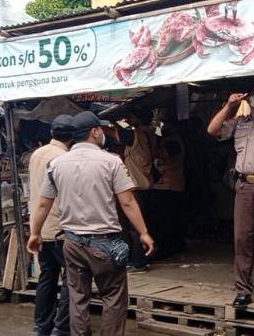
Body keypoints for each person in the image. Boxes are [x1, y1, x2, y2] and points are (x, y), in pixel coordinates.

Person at [27, 111, 155, 335]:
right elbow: (127, 202)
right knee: (114, 297)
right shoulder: (111, 161)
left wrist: (35, 234)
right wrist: (143, 232)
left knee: (78, 298)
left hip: (72, 243)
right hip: (105, 243)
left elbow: (43, 204)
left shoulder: (56, 164)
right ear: (95, 132)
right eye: (100, 130)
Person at [207, 65, 254, 309]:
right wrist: (228, 105)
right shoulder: (239, 122)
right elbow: (212, 130)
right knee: (242, 239)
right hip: (244, 187)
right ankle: (243, 290)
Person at [29, 115, 74, 336]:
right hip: (60, 227)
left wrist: (34, 231)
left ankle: (41, 326)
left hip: (40, 227)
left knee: (47, 276)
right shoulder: (65, 158)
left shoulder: (37, 154)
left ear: (51, 133)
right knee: (71, 278)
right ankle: (61, 327)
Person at [120, 106, 158, 273]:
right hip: (148, 184)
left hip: (136, 187)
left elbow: (116, 134)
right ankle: (145, 257)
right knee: (145, 225)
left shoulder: (134, 135)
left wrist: (112, 123)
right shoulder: (151, 134)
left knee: (136, 228)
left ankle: (138, 263)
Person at [152, 114, 186, 258]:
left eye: (166, 123)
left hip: (170, 185)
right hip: (165, 185)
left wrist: (152, 141)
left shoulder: (174, 142)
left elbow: (162, 154)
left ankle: (168, 248)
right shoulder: (169, 139)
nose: (163, 126)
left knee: (168, 220)